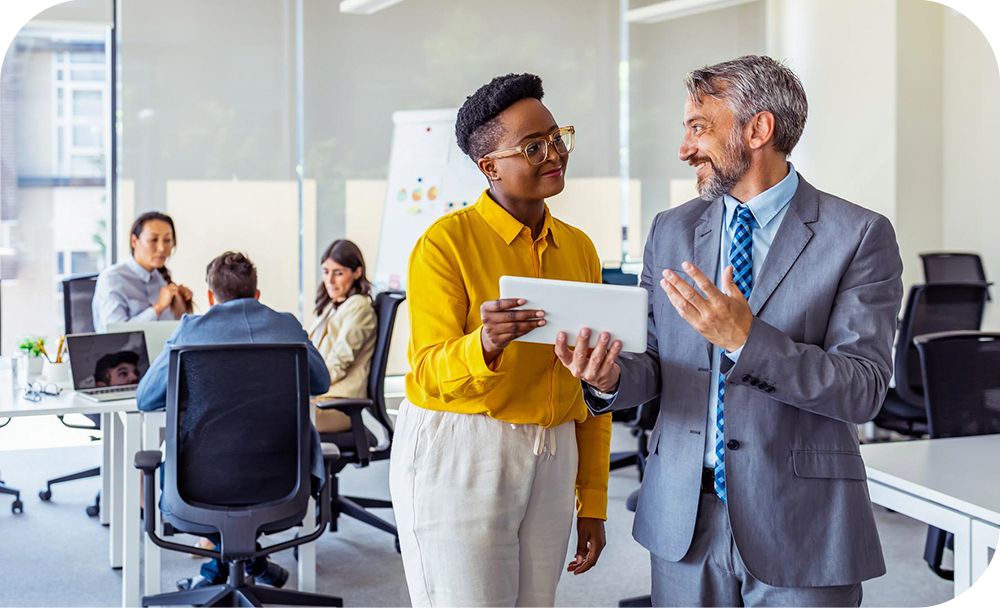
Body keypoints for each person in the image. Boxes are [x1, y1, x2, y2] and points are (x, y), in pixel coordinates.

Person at [562, 55, 903, 607]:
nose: (684, 148)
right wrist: (607, 379)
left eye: (699, 127)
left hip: (803, 522)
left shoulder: (858, 235)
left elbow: (862, 390)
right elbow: (653, 362)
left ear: (758, 129)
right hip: (682, 520)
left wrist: (747, 341)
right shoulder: (670, 230)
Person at [388, 73, 612, 607]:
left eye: (557, 137)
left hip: (554, 450)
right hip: (465, 448)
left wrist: (594, 498)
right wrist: (483, 343)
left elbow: (594, 387)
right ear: (490, 167)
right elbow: (425, 373)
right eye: (533, 146)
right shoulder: (445, 244)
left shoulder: (579, 249)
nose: (554, 153)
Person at [136, 251, 331, 591]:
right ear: (257, 295)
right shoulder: (287, 327)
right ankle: (251, 564)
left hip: (197, 489)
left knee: (213, 478)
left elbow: (146, 398)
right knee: (245, 484)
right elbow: (321, 383)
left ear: (211, 297)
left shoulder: (189, 332)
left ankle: (217, 573)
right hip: (284, 487)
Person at [307, 239, 377, 433]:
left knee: (279, 416)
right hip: (322, 399)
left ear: (357, 272)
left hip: (338, 406)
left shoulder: (358, 307)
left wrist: (305, 384)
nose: (329, 280)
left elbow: (338, 362)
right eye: (326, 271)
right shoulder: (333, 306)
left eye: (338, 273)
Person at [92, 211, 193, 332]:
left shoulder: (161, 279)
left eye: (167, 240)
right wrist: (158, 308)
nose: (161, 248)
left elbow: (171, 333)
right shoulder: (112, 279)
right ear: (134, 241)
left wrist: (181, 306)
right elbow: (115, 335)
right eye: (153, 240)